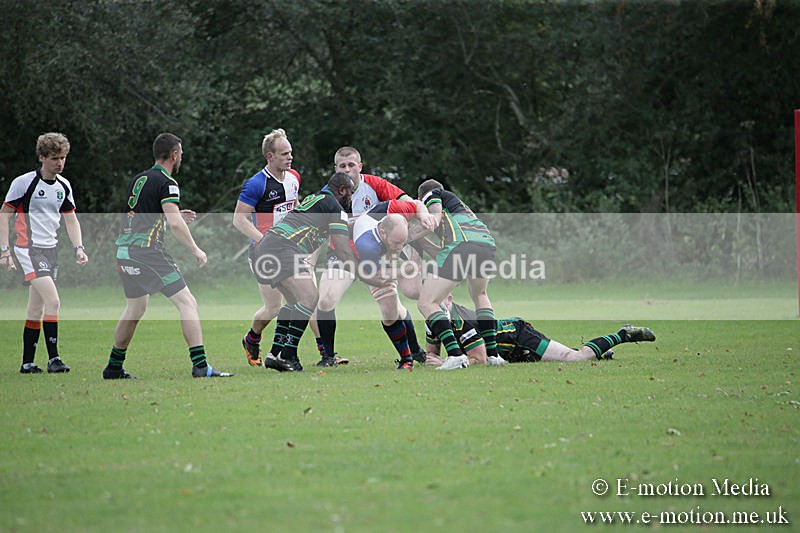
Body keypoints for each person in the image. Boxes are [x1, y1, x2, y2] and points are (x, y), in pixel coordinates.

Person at [103, 132, 232, 379]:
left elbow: (144, 215)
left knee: (136, 308)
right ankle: (201, 366)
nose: (181, 157)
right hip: (147, 253)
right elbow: (174, 224)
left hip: (125, 252)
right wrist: (196, 249)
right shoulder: (168, 182)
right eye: (181, 154)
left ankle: (113, 367)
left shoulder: (139, 179)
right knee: (187, 302)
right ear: (174, 155)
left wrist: (170, 215)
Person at [312, 146, 425, 366]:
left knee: (392, 308)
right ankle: (328, 357)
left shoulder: (375, 184)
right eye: (342, 166)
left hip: (375, 254)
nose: (347, 169)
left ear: (360, 166)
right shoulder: (328, 193)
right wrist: (310, 258)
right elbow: (317, 229)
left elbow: (410, 202)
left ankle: (416, 351)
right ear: (335, 169)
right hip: (342, 254)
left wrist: (427, 216)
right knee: (325, 299)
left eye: (351, 165)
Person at [0, 132, 89, 374]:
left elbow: (71, 221)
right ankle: (54, 359)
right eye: (54, 158)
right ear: (42, 157)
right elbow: (4, 215)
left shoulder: (64, 186)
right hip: (28, 249)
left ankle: (27, 363)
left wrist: (78, 248)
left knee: (36, 309)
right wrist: (4, 251)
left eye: (63, 158)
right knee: (54, 300)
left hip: (51, 251)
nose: (59, 163)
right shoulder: (24, 183)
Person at [254, 172, 357, 372]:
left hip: (267, 247)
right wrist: (363, 272)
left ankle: (275, 354)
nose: (350, 199)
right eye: (350, 193)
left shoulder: (317, 199)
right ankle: (288, 354)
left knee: (293, 302)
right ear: (342, 190)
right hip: (282, 248)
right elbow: (343, 248)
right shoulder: (333, 207)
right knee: (310, 298)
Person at [425, 294, 656, 367]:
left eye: (440, 298)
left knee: (574, 358)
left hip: (518, 335)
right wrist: (430, 359)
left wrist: (447, 361)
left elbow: (480, 359)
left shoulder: (462, 320)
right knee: (561, 358)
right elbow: (431, 355)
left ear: (449, 298)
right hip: (512, 355)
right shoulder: (433, 320)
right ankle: (602, 354)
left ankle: (622, 335)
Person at [233, 128, 302, 367]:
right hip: (264, 254)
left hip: (288, 250)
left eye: (290, 152)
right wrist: (264, 241)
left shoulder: (293, 178)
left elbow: (295, 208)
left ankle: (296, 353)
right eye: (284, 154)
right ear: (269, 156)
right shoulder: (256, 184)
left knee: (301, 299)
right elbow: (239, 219)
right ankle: (253, 339)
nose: (289, 157)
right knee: (274, 307)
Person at [414, 179, 498, 371]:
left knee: (426, 303)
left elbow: (432, 220)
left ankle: (454, 355)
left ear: (421, 198)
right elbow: (445, 255)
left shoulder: (432, 194)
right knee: (480, 295)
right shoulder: (458, 210)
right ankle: (494, 355)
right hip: (485, 244)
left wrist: (405, 237)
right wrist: (421, 242)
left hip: (462, 245)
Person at [351, 200, 436, 369]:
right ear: (382, 232)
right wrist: (405, 269)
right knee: (389, 309)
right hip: (364, 265)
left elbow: (417, 204)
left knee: (398, 309)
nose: (400, 248)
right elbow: (376, 277)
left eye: (402, 242)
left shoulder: (399, 211)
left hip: (383, 251)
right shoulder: (368, 245)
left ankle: (416, 352)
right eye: (397, 243)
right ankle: (407, 359)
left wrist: (425, 215)